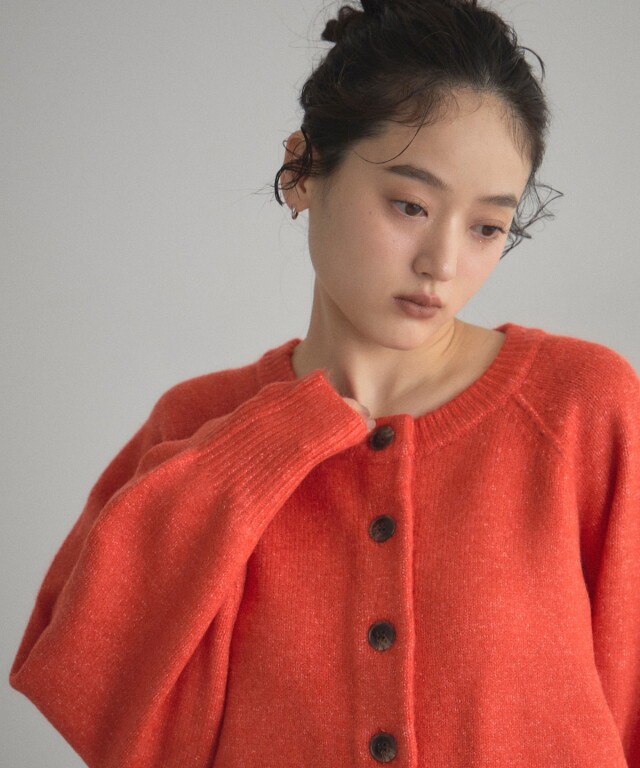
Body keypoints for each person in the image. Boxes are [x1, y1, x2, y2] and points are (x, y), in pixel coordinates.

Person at [10, 0, 639, 766]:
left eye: (486, 227)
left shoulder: (581, 406)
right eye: (410, 205)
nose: (442, 263)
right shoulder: (201, 422)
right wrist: (278, 436)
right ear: (304, 169)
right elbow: (90, 685)